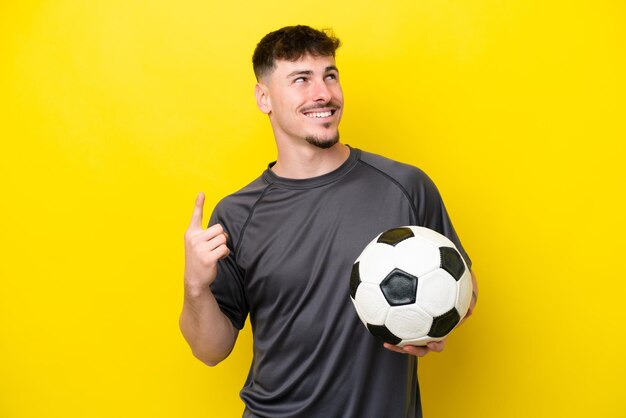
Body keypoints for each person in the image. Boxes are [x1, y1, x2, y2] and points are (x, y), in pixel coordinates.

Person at [180, 25, 477, 418]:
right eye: (301, 79)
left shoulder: (405, 186)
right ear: (264, 97)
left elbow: (463, 291)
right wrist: (195, 287)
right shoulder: (237, 214)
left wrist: (432, 327)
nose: (324, 93)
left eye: (330, 75)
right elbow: (210, 351)